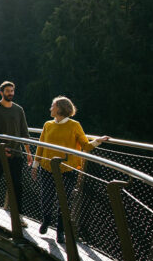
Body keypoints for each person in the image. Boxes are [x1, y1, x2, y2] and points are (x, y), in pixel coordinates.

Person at [33, 96, 109, 243]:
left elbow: (85, 146)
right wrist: (35, 165)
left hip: (68, 170)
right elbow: (40, 146)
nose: (50, 109)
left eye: (52, 106)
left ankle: (60, 231)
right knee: (46, 198)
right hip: (47, 168)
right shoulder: (47, 125)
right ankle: (47, 220)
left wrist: (98, 141)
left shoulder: (74, 125)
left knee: (64, 202)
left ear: (60, 108)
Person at [0, 81, 33, 223]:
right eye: (7, 91)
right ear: (2, 92)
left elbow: (24, 132)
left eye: (12, 90)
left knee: (17, 184)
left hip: (16, 153)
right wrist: (0, 147)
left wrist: (28, 152)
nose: (10, 93)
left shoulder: (19, 110)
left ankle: (18, 215)